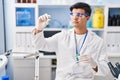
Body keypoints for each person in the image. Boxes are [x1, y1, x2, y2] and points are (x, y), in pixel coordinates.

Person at [32, 2, 110, 80]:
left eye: (79, 15)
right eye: (72, 14)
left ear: (88, 17)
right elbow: (40, 45)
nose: (75, 17)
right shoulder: (62, 36)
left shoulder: (98, 42)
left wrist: (94, 65)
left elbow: (106, 70)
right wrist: (39, 29)